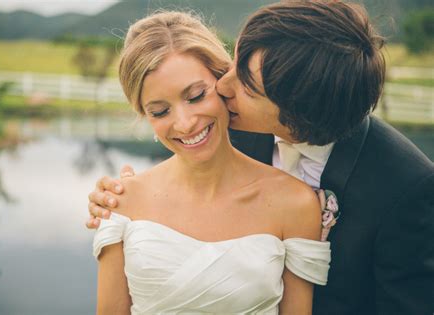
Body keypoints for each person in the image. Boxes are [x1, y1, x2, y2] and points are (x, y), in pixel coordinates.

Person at [88, 1, 434, 314]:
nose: (224, 86)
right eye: (236, 62)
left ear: (295, 113)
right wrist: (117, 203)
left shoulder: (406, 187)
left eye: (246, 87)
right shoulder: (221, 124)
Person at [92, 10, 331, 314]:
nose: (184, 124)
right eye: (160, 112)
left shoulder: (295, 203)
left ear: (223, 82)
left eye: (195, 96)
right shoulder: (120, 201)